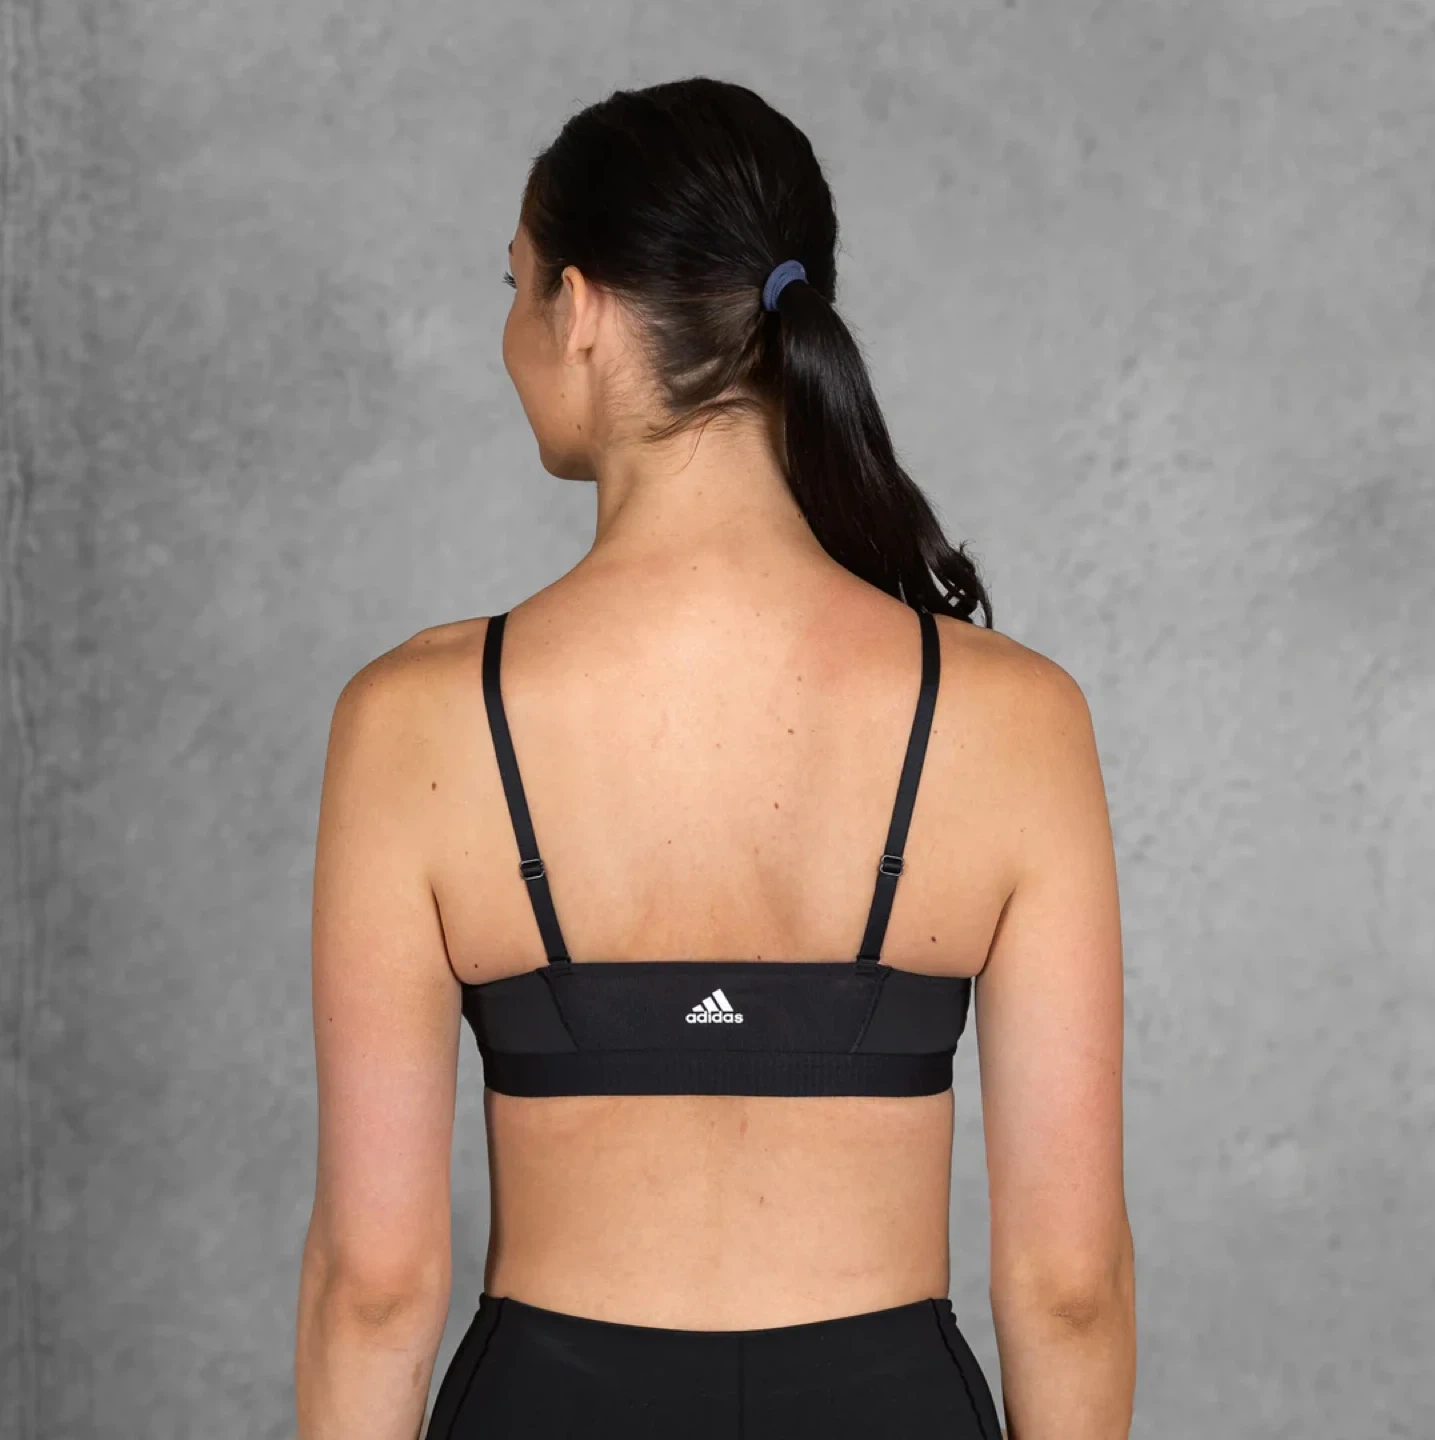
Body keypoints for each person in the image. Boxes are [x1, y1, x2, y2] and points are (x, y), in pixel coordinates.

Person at [294, 76, 1134, 1440]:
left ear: (578, 308)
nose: (510, 331)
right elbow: (1072, 1286)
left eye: (515, 287)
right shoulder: (1014, 719)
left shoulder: (417, 722)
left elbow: (375, 1286)